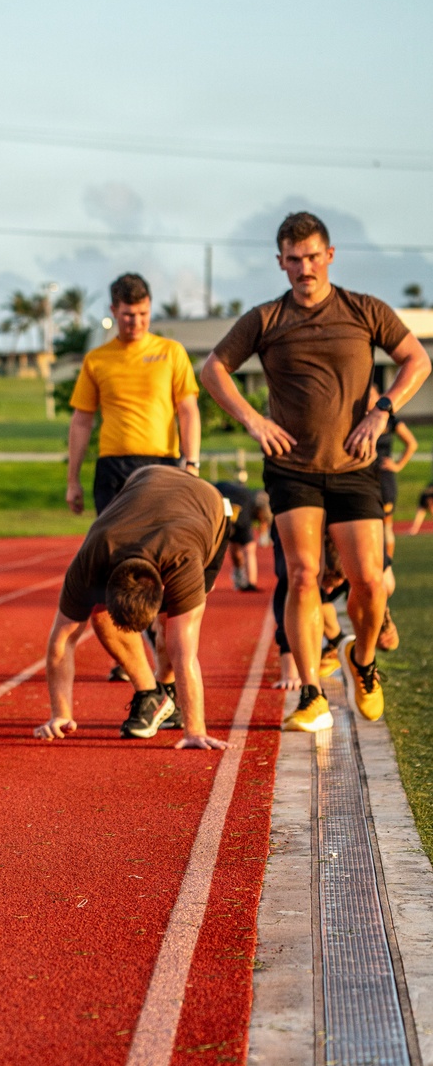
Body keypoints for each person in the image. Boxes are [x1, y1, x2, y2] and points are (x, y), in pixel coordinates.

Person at [201, 211, 430, 732]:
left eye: (312, 257)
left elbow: (417, 360)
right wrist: (254, 420)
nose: (304, 267)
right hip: (292, 469)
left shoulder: (364, 310)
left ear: (329, 255)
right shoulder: (265, 319)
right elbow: (213, 368)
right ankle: (311, 694)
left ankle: (362, 662)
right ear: (280, 262)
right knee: (303, 575)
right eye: (293, 259)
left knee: (369, 581)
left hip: (354, 465)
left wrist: (383, 411)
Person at [34, 466, 229, 750]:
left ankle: (170, 694)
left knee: (172, 630)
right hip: (146, 476)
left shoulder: (183, 560)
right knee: (100, 617)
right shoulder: (93, 557)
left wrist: (195, 731)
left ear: (162, 587)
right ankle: (153, 694)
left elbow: (185, 653)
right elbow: (63, 640)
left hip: (209, 507)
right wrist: (61, 713)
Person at [65, 272, 202, 520]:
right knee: (113, 542)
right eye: (128, 315)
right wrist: (72, 481)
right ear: (114, 311)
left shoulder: (171, 352)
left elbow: (188, 411)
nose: (136, 322)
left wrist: (192, 464)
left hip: (162, 465)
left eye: (143, 314)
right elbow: (81, 421)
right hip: (113, 468)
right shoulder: (96, 360)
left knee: (159, 539)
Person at [368, 383, 416, 651]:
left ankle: (386, 565)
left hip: (384, 478)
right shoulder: (359, 418)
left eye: (372, 394)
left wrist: (397, 464)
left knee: (385, 526)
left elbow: (411, 443)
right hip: (363, 478)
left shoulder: (389, 418)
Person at [213, 479, 271, 590]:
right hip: (227, 514)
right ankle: (249, 581)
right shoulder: (247, 504)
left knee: (241, 549)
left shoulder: (246, 499)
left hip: (227, 513)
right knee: (246, 549)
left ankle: (246, 579)